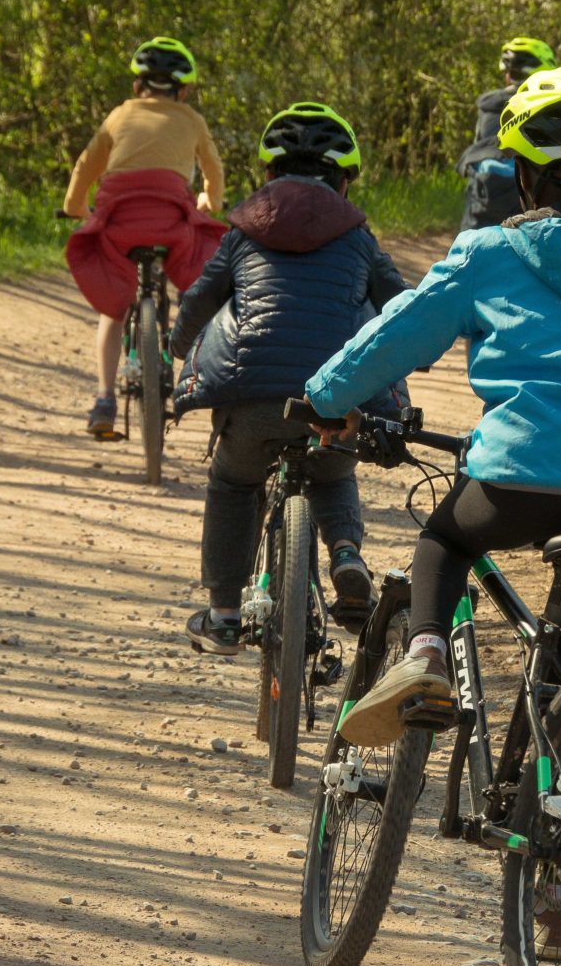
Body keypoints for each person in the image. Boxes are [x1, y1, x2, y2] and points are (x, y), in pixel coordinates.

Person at [307, 65, 561, 745]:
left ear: (523, 174)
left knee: (443, 538)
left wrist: (325, 396)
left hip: (514, 480)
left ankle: (423, 656)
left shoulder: (490, 253)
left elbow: (397, 334)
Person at [169, 103, 409, 654]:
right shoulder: (358, 238)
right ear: (344, 181)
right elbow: (399, 306)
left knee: (233, 483)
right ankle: (346, 554)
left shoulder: (241, 233)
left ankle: (225, 615)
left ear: (268, 176)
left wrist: (177, 347)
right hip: (333, 397)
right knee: (333, 466)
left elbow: (200, 299)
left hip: (252, 398)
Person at [64, 38, 227, 437]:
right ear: (183, 90)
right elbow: (214, 172)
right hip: (169, 223)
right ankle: (184, 354)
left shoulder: (119, 116)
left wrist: (74, 206)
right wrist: (212, 202)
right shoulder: (191, 120)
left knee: (114, 308)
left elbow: (87, 164)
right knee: (195, 266)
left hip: (120, 222)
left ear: (138, 86)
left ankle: (104, 397)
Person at [455, 36, 557, 232]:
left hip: (484, 191)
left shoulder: (487, 104)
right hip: (524, 192)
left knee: (471, 248)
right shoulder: (548, 105)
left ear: (508, 75)